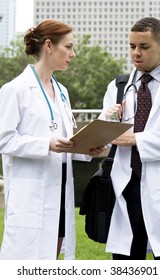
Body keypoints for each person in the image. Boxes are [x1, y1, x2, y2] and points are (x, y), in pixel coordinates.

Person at [0, 19, 104, 260]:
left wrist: (87, 148)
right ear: (49, 45)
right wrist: (46, 144)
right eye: (68, 47)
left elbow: (65, 140)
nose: (73, 54)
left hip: (59, 194)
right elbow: (4, 141)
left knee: (53, 264)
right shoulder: (16, 89)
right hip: (31, 195)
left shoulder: (62, 92)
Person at [99, 17, 160, 260]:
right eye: (132, 46)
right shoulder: (119, 86)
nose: (136, 53)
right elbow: (106, 136)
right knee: (127, 264)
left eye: (144, 46)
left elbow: (132, 138)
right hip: (126, 185)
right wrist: (109, 120)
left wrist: (137, 140)